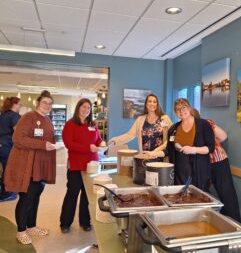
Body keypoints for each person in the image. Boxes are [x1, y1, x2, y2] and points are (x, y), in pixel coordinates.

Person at [4, 91, 56, 245]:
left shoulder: (47, 120)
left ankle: (31, 226)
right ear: (38, 103)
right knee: (26, 198)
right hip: (28, 165)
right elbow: (18, 138)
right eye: (44, 102)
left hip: (41, 167)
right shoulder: (28, 117)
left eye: (50, 103)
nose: (47, 105)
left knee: (35, 197)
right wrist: (42, 145)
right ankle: (21, 231)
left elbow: (47, 141)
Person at [145, 98, 215, 191]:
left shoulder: (203, 125)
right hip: (179, 174)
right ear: (175, 113)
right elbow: (169, 151)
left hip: (198, 172)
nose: (181, 111)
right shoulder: (173, 129)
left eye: (183, 108)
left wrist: (194, 149)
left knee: (197, 199)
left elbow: (211, 148)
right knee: (181, 198)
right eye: (177, 110)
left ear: (189, 108)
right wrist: (153, 154)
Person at [60, 98, 103, 233]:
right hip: (76, 165)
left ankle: (85, 222)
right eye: (84, 107)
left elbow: (99, 139)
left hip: (92, 165)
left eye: (88, 108)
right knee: (72, 193)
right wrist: (88, 148)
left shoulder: (93, 124)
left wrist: (101, 144)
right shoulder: (70, 124)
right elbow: (69, 144)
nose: (86, 110)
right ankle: (65, 223)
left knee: (87, 195)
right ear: (78, 108)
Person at [108, 94, 173, 155]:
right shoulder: (140, 119)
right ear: (146, 104)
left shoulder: (164, 118)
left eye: (154, 102)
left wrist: (157, 151)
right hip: (145, 157)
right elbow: (129, 135)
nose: (152, 104)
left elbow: (172, 136)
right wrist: (114, 141)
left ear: (157, 104)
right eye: (149, 101)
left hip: (160, 157)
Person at [0, 97, 21, 202]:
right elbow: (17, 133)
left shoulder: (3, 114)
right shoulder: (15, 116)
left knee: (3, 169)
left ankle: (3, 191)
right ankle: (6, 194)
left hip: (2, 145)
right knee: (9, 170)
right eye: (19, 104)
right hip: (9, 146)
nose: (20, 106)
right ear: (15, 104)